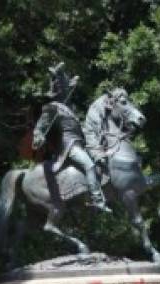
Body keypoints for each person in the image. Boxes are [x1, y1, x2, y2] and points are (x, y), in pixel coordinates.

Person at [32, 62, 112, 213]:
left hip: (80, 144)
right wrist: (38, 137)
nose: (67, 91)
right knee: (89, 165)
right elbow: (40, 127)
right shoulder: (52, 108)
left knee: (102, 159)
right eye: (64, 89)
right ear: (58, 91)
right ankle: (96, 200)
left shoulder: (70, 109)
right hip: (69, 146)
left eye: (67, 88)